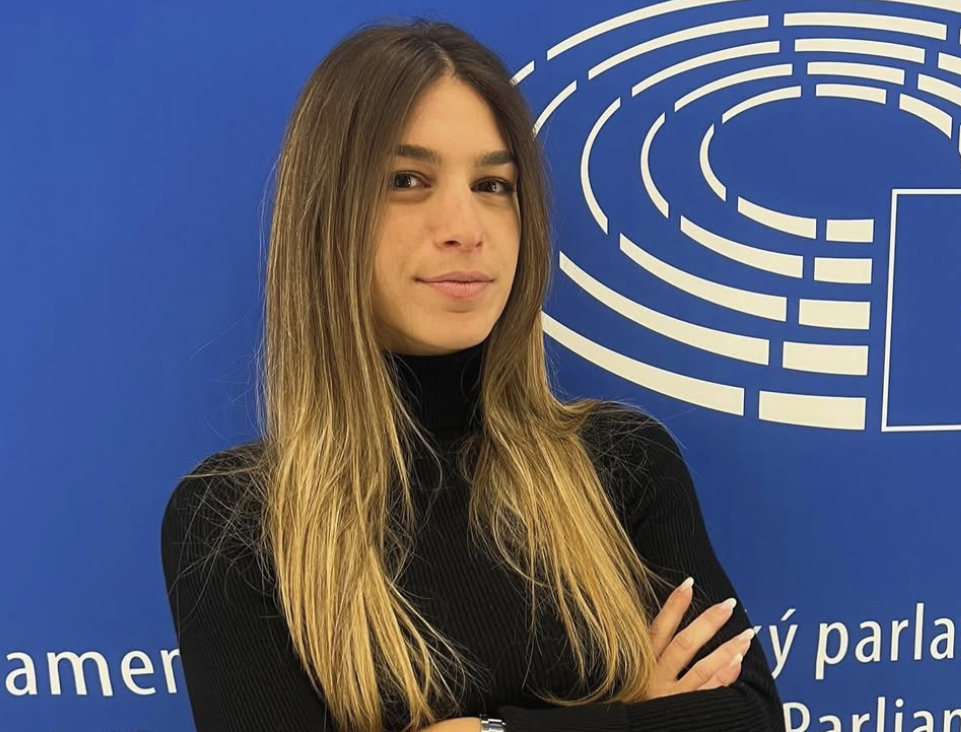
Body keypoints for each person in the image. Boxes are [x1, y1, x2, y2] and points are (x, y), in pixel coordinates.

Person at [160, 17, 786, 732]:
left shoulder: (622, 465)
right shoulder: (232, 523)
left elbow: (748, 717)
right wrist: (629, 715)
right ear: (326, 216)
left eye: (493, 184)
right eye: (407, 180)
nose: (466, 227)